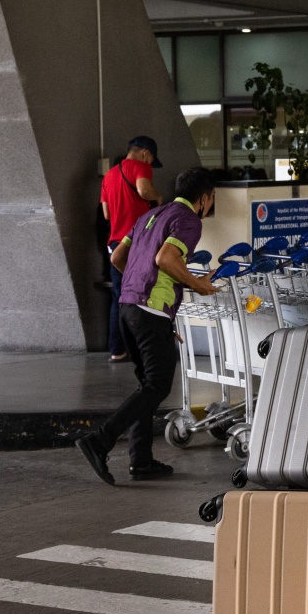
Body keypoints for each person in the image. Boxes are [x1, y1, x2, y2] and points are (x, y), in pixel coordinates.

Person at [77, 167, 220, 485]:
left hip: (128, 307)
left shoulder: (150, 216)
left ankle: (140, 460)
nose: (210, 205)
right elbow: (166, 259)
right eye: (211, 199)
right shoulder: (188, 219)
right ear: (204, 198)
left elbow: (118, 257)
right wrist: (197, 284)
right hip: (149, 310)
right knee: (157, 385)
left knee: (148, 386)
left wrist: (141, 287)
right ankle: (100, 440)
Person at [100, 137, 163, 360]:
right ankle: (144, 348)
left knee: (119, 296)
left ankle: (117, 350)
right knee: (143, 294)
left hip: (116, 244)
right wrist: (158, 197)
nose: (150, 164)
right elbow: (144, 191)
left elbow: (106, 214)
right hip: (137, 241)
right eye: (151, 159)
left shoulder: (109, 175)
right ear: (145, 153)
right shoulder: (140, 166)